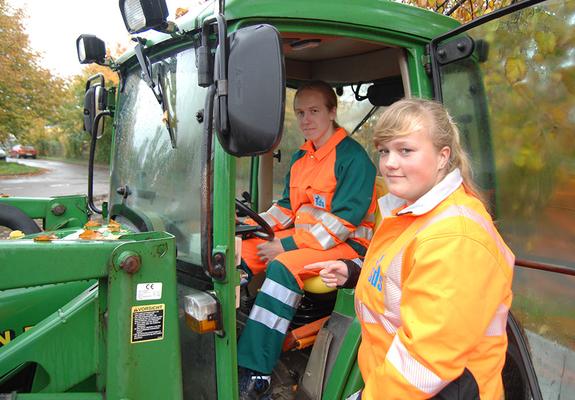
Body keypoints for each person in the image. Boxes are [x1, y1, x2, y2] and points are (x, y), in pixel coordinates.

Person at [306, 98, 514, 400]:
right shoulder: (411, 212)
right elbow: (403, 271)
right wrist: (354, 272)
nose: (390, 163)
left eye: (406, 150)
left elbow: (425, 363)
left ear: (443, 156)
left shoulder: (454, 238)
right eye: (384, 151)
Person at [237, 81, 377, 399]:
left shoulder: (352, 159)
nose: (305, 120)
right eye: (300, 112)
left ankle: (255, 370)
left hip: (348, 247)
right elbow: (287, 208)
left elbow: (341, 224)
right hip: (311, 239)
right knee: (241, 251)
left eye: (314, 111)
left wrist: (284, 246)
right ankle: (230, 332)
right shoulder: (304, 157)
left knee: (282, 267)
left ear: (332, 111)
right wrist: (249, 226)